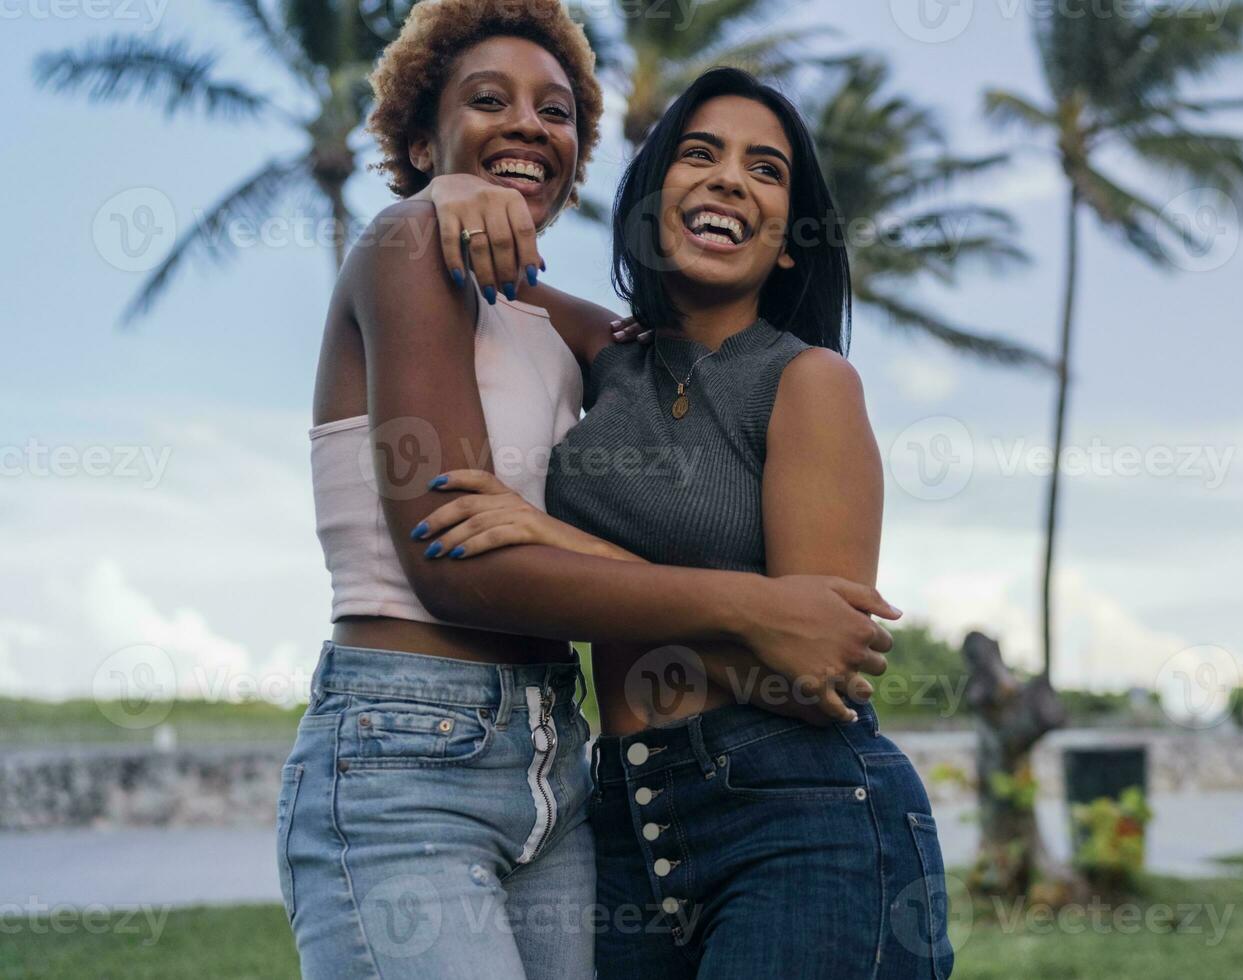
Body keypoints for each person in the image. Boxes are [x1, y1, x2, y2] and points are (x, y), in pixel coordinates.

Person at [279, 3, 898, 978]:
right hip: (409, 740)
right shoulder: (407, 250)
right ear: (416, 135)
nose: (529, 123)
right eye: (488, 100)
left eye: (556, 111)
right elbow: (455, 562)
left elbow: (813, 648)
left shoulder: (585, 338)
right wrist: (434, 193)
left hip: (564, 765)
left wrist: (545, 531)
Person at [418, 67, 954, 979]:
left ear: (789, 242)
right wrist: (454, 185)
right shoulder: (606, 355)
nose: (729, 179)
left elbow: (810, 668)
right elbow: (449, 250)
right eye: (699, 154)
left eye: (766, 170)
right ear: (651, 202)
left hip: (801, 813)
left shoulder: (808, 381)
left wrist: (556, 542)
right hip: (625, 825)